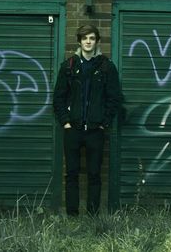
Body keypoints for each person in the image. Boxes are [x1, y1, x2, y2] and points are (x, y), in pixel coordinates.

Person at [53, 24, 121, 216]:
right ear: (80, 41)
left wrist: (103, 123)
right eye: (84, 38)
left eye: (91, 38)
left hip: (95, 130)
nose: (88, 42)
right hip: (72, 129)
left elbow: (114, 98)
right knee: (72, 174)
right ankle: (72, 215)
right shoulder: (69, 66)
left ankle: (93, 215)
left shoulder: (106, 67)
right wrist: (65, 121)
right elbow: (58, 97)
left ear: (97, 41)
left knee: (94, 174)